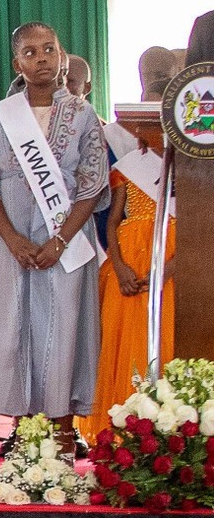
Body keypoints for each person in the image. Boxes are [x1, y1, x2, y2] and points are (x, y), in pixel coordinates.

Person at [0, 23, 108, 450]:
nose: (42, 58)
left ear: (62, 55)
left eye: (50, 49)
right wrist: (12, 239)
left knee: (64, 325)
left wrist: (60, 240)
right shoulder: (0, 115)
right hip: (12, 241)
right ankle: (24, 427)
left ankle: (64, 429)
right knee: (15, 325)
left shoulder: (83, 115)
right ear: (18, 64)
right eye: (31, 52)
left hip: (66, 240)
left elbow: (91, 184)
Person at [79, 112, 174, 443]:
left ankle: (173, 427)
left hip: (172, 264)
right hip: (131, 263)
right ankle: (129, 425)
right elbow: (113, 221)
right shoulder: (130, 166)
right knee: (130, 343)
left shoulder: (191, 166)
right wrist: (118, 264)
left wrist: (169, 269)